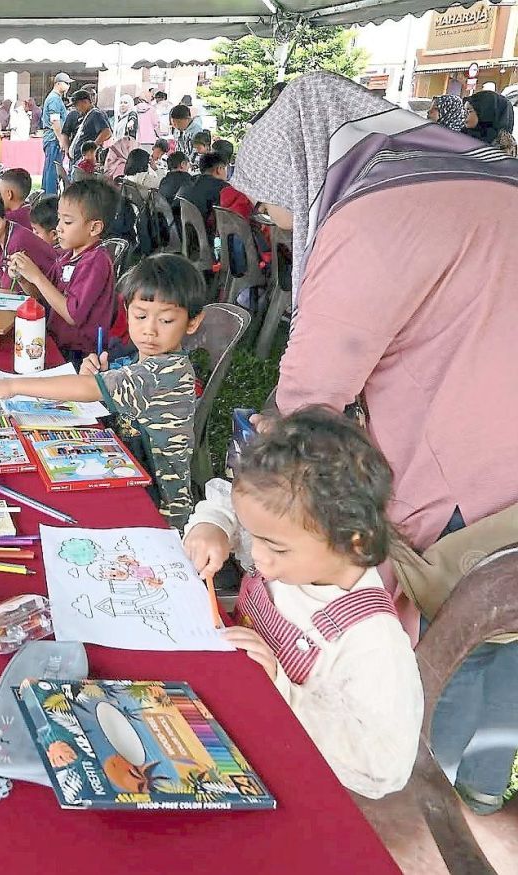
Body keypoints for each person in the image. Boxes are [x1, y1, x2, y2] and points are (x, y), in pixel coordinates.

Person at [231, 70, 518, 816]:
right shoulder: (472, 166)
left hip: (469, 474)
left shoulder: (367, 217)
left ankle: (426, 802)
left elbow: (309, 396)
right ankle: (485, 793)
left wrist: (266, 470)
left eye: (269, 197)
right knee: (506, 627)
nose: (272, 215)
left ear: (297, 163)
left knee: (456, 629)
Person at [183, 408, 421, 799]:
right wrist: (214, 526)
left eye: (273, 546)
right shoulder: (293, 540)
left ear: (353, 541)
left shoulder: (373, 643)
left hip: (283, 770)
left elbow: (385, 766)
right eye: (252, 536)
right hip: (231, 709)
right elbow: (236, 506)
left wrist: (282, 688)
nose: (257, 557)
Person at [0, 253, 205, 529]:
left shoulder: (165, 372)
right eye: (140, 316)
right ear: (127, 310)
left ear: (192, 321)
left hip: (160, 507)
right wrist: (98, 377)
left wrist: (10, 385)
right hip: (130, 470)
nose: (150, 331)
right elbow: (106, 387)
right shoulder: (141, 359)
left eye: (166, 321)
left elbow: (93, 389)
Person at [4, 179, 128, 362]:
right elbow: (42, 295)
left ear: (94, 228)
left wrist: (37, 276)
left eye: (67, 222)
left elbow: (72, 315)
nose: (59, 227)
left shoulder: (96, 261)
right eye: (59, 219)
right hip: (57, 342)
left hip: (81, 355)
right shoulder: (67, 256)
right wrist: (23, 277)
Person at [176, 152, 229, 233]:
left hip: (182, 233)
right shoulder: (222, 187)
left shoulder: (189, 180)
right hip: (207, 237)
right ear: (219, 169)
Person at [40, 72, 73, 195]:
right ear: (58, 83)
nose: (68, 86)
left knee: (50, 168)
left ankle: (45, 194)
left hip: (52, 138)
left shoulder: (55, 98)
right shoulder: (54, 99)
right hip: (54, 139)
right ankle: (50, 196)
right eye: (66, 83)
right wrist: (61, 139)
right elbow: (55, 121)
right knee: (53, 169)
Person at [465, 90, 517, 157]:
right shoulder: (464, 134)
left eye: (469, 111)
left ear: (486, 114)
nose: (464, 115)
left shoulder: (504, 146)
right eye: (465, 110)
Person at [66, 90, 111, 162]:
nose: (76, 108)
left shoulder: (95, 114)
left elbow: (107, 133)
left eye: (76, 105)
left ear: (85, 102)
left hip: (85, 160)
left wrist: (91, 149)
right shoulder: (87, 115)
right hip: (78, 158)